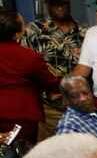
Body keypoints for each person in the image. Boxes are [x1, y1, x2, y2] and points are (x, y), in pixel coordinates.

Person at [20, 0, 87, 139]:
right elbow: (25, 65)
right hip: (50, 106)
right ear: (47, 6)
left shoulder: (83, 31)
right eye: (54, 4)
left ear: (69, 4)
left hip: (80, 102)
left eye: (62, 3)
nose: (59, 7)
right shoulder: (34, 30)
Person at [0, 9, 60, 145]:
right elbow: (50, 83)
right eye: (23, 24)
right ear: (17, 33)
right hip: (21, 119)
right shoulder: (28, 56)